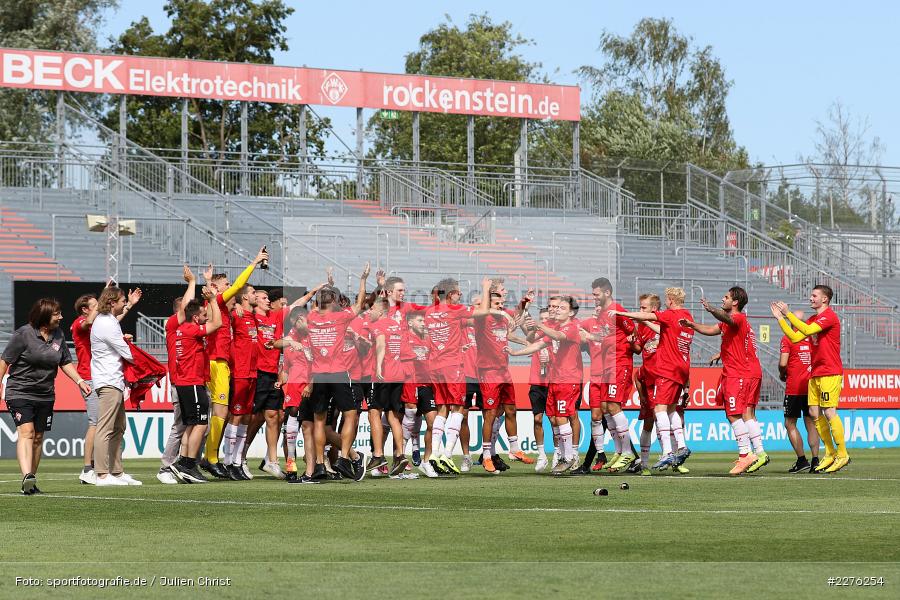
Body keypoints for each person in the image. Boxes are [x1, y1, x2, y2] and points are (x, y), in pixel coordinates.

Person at [1, 298, 91, 494]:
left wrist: (79, 381)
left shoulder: (58, 334)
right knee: (27, 432)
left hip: (45, 394)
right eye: (56, 314)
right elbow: (4, 361)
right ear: (44, 316)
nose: (61, 317)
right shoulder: (23, 334)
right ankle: (26, 475)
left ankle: (30, 482)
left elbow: (65, 362)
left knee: (38, 437)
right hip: (19, 391)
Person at [200, 248, 268, 479]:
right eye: (226, 284)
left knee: (222, 413)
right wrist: (254, 262)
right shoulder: (217, 302)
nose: (231, 287)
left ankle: (213, 457)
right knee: (220, 412)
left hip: (223, 363)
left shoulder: (226, 308)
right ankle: (210, 458)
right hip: (215, 362)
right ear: (218, 289)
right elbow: (239, 286)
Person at [681, 287, 764, 475]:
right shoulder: (729, 323)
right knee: (736, 412)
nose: (723, 298)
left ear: (735, 302)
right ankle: (751, 454)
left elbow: (727, 319)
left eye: (726, 297)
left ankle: (746, 455)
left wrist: (711, 309)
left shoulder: (738, 318)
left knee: (736, 413)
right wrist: (692, 325)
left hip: (739, 373)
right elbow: (711, 329)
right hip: (737, 371)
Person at [611, 287, 693, 471]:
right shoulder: (678, 319)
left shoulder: (667, 318)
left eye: (643, 308)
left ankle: (669, 454)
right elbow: (640, 349)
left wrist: (621, 313)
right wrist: (633, 340)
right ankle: (649, 462)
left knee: (664, 411)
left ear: (655, 309)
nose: (640, 311)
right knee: (657, 417)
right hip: (655, 377)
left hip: (665, 372)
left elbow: (659, 327)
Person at [773, 284, 849, 473]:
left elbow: (806, 332)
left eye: (814, 295)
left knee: (829, 412)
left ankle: (842, 454)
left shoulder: (829, 316)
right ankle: (830, 453)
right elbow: (794, 336)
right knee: (815, 413)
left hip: (829, 371)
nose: (811, 298)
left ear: (825, 299)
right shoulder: (814, 318)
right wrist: (781, 319)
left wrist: (788, 313)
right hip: (816, 373)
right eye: (811, 295)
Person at [306, 264, 371, 480]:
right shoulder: (341, 317)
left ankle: (318, 466)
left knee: (319, 421)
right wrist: (362, 279)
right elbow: (360, 304)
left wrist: (326, 286)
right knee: (351, 413)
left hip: (318, 375)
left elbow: (315, 304)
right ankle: (344, 457)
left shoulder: (311, 318)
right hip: (339, 373)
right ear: (334, 301)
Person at [506, 295, 583, 475]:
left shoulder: (571, 327)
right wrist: (516, 353)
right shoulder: (555, 326)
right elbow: (538, 344)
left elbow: (556, 336)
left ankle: (569, 456)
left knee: (564, 417)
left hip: (568, 379)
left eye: (561, 308)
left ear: (571, 313)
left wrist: (540, 324)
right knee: (555, 418)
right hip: (554, 380)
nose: (556, 310)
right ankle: (563, 456)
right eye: (554, 307)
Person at [71, 288, 141, 485]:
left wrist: (128, 306)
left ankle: (116, 471)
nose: (96, 309)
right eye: (93, 306)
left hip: (111, 378)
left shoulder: (104, 321)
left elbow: (111, 326)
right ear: (85, 310)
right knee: (100, 425)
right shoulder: (83, 323)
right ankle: (95, 471)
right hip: (97, 378)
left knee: (117, 426)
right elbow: (95, 324)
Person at [168, 286, 222, 483]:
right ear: (195, 318)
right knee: (201, 423)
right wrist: (214, 301)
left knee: (192, 425)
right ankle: (189, 465)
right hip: (192, 382)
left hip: (184, 382)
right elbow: (218, 323)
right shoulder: (191, 330)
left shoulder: (180, 329)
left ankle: (183, 462)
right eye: (203, 314)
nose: (206, 317)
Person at [425, 278, 476, 475]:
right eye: (458, 292)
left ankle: (434, 454)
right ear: (450, 294)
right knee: (459, 408)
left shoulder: (430, 312)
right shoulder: (454, 311)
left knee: (442, 409)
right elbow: (480, 314)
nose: (460, 295)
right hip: (452, 366)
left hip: (435, 367)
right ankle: (446, 454)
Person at [157, 266, 197, 484]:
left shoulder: (190, 327)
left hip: (193, 381)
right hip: (180, 382)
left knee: (197, 425)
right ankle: (165, 467)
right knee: (181, 425)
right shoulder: (171, 324)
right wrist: (192, 282)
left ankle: (183, 465)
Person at [778, 309, 820, 473]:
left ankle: (802, 460)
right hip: (810, 386)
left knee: (790, 423)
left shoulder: (788, 337)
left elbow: (783, 363)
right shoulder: (811, 338)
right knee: (811, 424)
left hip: (795, 388)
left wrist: (782, 374)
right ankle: (816, 460)